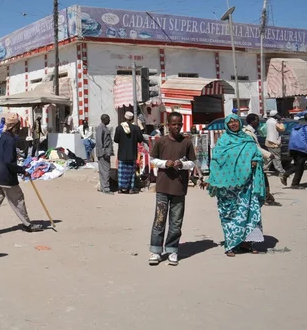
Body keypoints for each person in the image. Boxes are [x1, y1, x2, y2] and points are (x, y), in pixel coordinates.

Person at [206, 114, 267, 257]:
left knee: (249, 212)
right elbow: (216, 161)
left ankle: (247, 243)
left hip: (247, 186)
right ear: (227, 125)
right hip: (228, 187)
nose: (233, 124)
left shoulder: (248, 140)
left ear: (240, 123)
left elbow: (257, 155)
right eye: (230, 122)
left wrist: (255, 161)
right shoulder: (223, 141)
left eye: (235, 122)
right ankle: (231, 245)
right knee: (231, 214)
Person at [0, 113, 42, 237]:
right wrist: (21, 170)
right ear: (13, 127)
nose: (19, 128)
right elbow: (9, 161)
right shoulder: (10, 141)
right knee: (18, 199)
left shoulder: (3, 137)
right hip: (5, 177)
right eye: (18, 126)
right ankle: (27, 224)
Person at [147, 112, 196, 266]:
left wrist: (183, 165)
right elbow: (153, 160)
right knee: (160, 220)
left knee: (176, 222)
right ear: (168, 125)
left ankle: (172, 250)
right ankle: (155, 251)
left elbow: (193, 162)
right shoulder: (161, 142)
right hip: (163, 187)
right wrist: (164, 163)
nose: (176, 127)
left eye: (179, 124)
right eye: (173, 124)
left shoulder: (186, 142)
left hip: (179, 188)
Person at [243, 113, 281, 206]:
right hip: (253, 160)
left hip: (256, 159)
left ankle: (266, 197)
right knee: (262, 179)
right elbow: (254, 147)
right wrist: (268, 154)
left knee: (261, 178)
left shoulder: (251, 131)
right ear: (252, 121)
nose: (258, 122)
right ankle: (266, 198)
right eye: (257, 120)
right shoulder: (248, 132)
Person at [281, 113, 307, 189]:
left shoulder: (296, 126)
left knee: (298, 165)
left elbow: (292, 138)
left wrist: (289, 149)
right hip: (302, 148)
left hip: (293, 148)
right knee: (299, 166)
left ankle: (289, 178)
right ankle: (293, 182)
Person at [114, 111, 144, 194]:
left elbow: (116, 140)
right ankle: (130, 189)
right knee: (131, 172)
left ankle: (121, 188)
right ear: (132, 119)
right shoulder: (136, 128)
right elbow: (140, 139)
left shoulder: (119, 128)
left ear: (125, 117)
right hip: (132, 153)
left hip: (122, 154)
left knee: (122, 172)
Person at [95, 114, 113, 194]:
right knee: (105, 171)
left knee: (104, 170)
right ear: (104, 119)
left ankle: (103, 188)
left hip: (106, 152)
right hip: (103, 153)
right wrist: (103, 152)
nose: (109, 121)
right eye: (108, 119)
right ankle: (106, 188)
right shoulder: (100, 128)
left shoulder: (104, 128)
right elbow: (99, 142)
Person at [264, 110, 285, 175]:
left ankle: (264, 168)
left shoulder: (268, 121)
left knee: (270, 157)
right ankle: (281, 171)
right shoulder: (275, 122)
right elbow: (282, 129)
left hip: (268, 141)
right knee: (277, 158)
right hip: (274, 142)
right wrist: (280, 122)